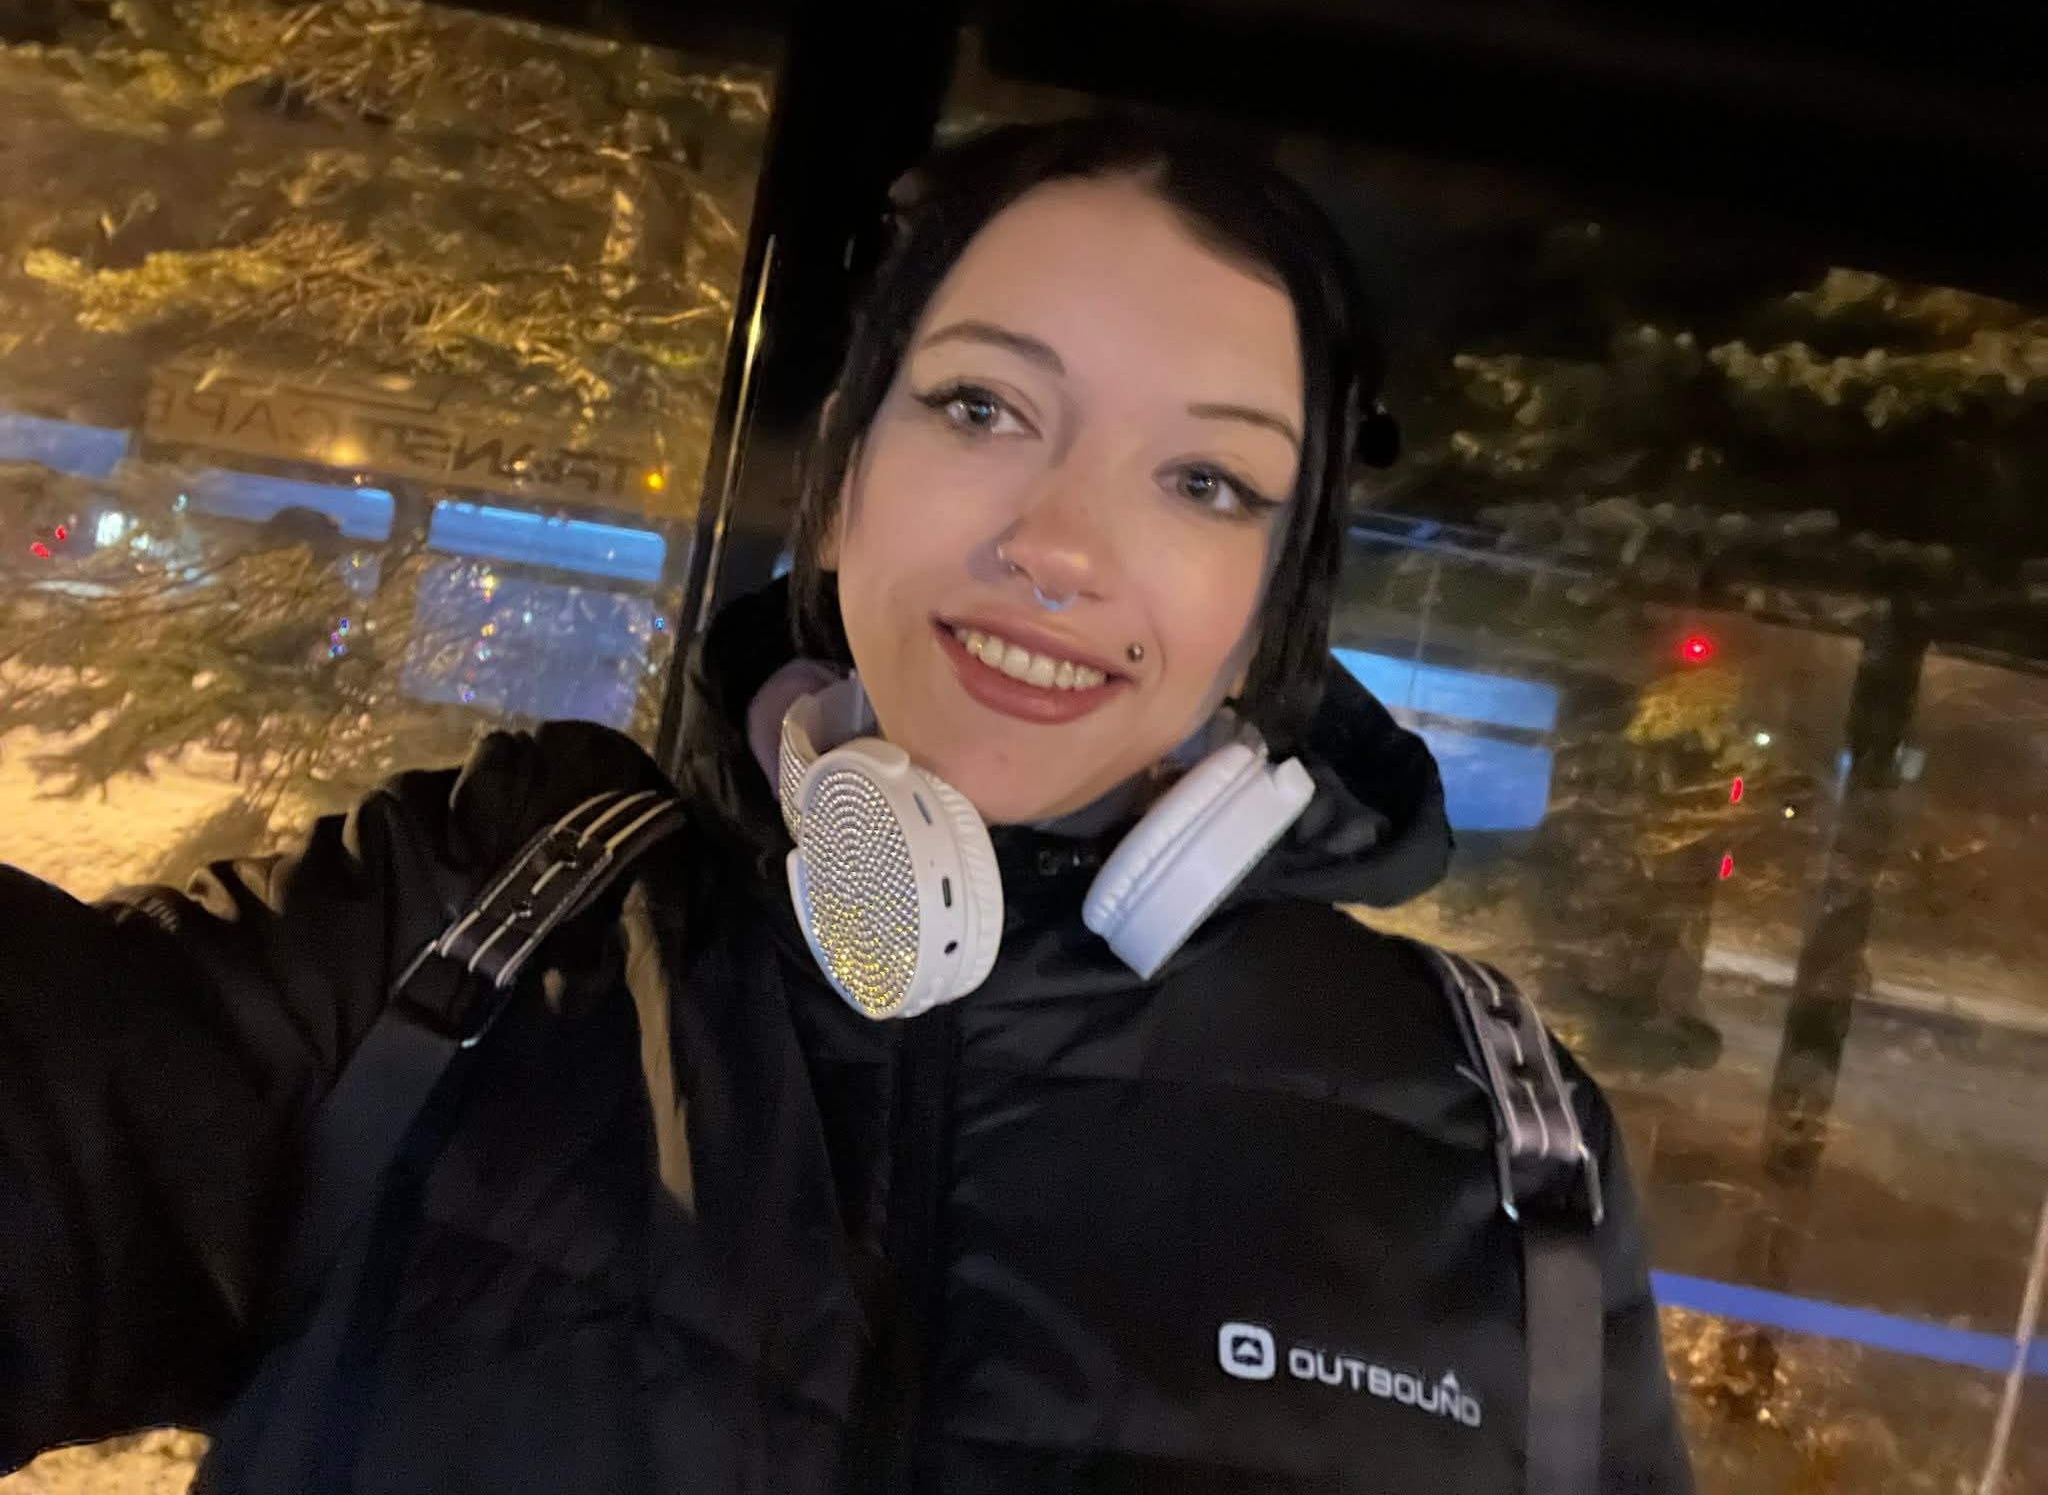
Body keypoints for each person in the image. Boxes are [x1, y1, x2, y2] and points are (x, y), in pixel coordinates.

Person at [0, 116, 1693, 1492]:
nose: (1062, 547)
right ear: (839, 486)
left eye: (1206, 479)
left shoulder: (1503, 1136)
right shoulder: (485, 906)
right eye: (981, 406)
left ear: (1271, 616)